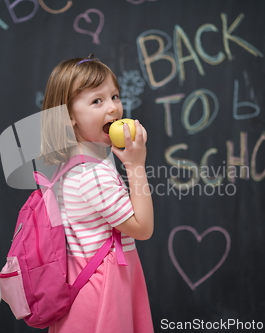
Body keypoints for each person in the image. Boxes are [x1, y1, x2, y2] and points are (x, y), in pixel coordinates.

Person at [40, 55, 154, 333]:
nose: (114, 108)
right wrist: (136, 166)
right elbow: (142, 228)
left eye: (114, 96)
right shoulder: (93, 175)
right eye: (97, 101)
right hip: (102, 292)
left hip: (84, 284)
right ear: (69, 116)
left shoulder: (73, 165)